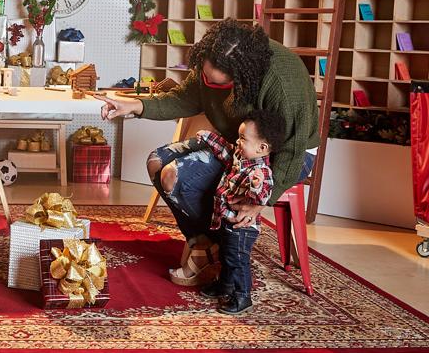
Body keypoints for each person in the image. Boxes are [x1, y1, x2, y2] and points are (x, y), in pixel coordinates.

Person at [94, 19, 318, 297]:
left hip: (281, 156)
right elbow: (184, 99)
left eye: (215, 82)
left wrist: (262, 199)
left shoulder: (283, 81)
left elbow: (293, 149)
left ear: (241, 76)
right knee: (157, 162)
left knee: (177, 176)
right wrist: (134, 105)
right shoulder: (214, 58)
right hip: (237, 144)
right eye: (204, 77)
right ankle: (204, 246)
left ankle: (220, 255)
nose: (207, 83)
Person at [202, 109, 284, 314]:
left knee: (238, 260)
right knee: (226, 255)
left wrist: (256, 186)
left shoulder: (261, 172)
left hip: (243, 226)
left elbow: (262, 195)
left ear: (262, 147)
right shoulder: (241, 156)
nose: (238, 142)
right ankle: (224, 286)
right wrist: (208, 137)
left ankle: (242, 296)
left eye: (242, 139)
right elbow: (226, 151)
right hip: (228, 220)